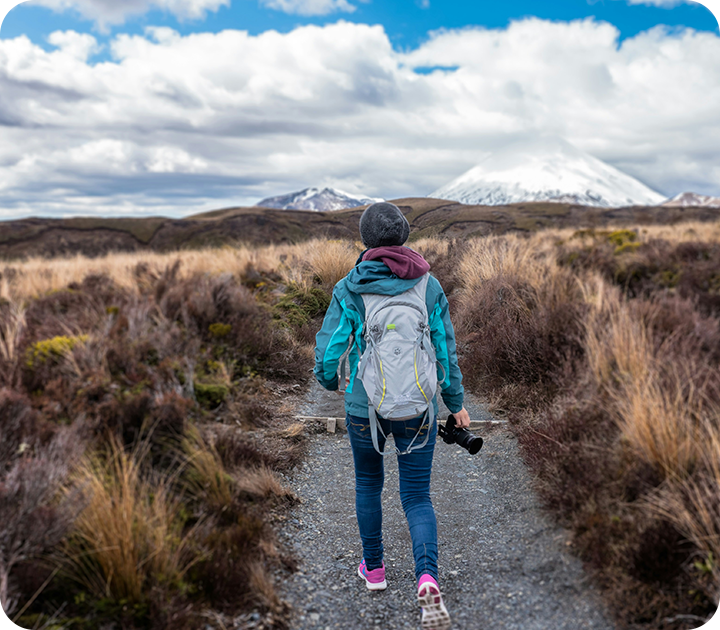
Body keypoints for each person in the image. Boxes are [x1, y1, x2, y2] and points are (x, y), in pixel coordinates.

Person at [314, 202, 470, 630]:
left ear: (366, 240)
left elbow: (329, 354)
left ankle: (376, 570)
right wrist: (455, 403)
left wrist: (333, 384)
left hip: (366, 406)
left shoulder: (350, 287)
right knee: (417, 495)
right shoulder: (429, 285)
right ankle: (426, 577)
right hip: (419, 406)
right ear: (402, 236)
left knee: (369, 482)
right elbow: (445, 351)